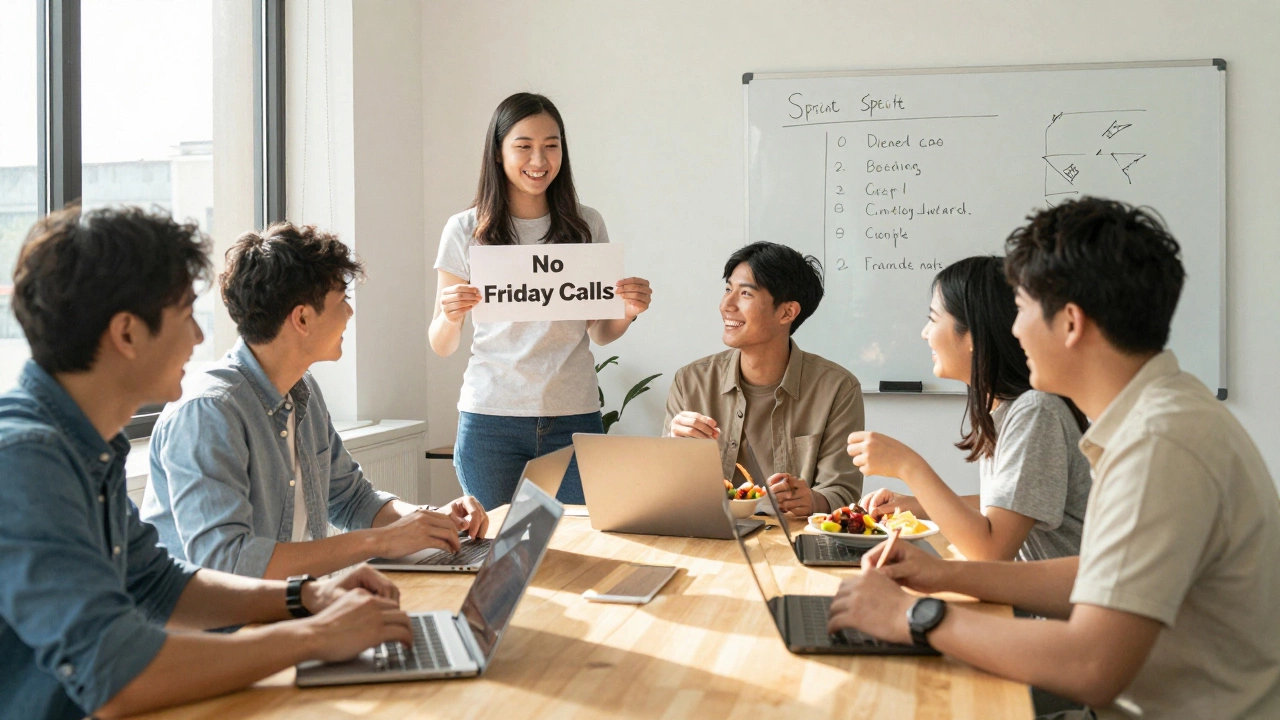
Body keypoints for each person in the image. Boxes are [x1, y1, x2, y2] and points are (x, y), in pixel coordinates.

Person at [827, 198, 1280, 720]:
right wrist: (943, 577)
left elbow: (1091, 665)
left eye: (1021, 309)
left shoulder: (1159, 444)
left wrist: (915, 615)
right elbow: (1096, 576)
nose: (1014, 329)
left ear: (1069, 323)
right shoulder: (1159, 414)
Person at [0, 206, 412, 720]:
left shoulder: (83, 445)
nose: (198, 337)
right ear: (127, 334)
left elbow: (158, 584)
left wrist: (308, 597)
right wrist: (314, 636)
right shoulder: (26, 459)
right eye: (184, 314)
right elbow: (114, 672)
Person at [144, 223, 487, 580]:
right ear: (302, 318)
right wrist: (381, 541)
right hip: (222, 616)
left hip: (289, 603)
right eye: (342, 301)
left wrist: (431, 519)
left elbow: (352, 498)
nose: (349, 313)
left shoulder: (301, 389)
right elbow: (228, 561)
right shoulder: (209, 412)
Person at [430, 92, 652, 510]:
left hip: (574, 416)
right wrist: (450, 314)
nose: (539, 159)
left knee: (576, 539)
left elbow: (600, 333)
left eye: (552, 145)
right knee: (497, 540)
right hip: (490, 421)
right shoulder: (465, 229)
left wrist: (627, 312)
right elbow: (441, 344)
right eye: (524, 146)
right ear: (498, 152)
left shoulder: (586, 224)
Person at [847, 256, 1092, 563]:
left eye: (933, 319)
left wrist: (908, 466)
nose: (925, 333)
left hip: (1046, 596)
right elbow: (1007, 507)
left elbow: (990, 551)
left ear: (974, 334)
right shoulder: (1009, 410)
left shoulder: (1036, 412)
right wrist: (916, 504)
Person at [665, 241, 863, 516]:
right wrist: (672, 445)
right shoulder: (690, 382)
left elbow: (841, 491)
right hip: (707, 529)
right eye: (728, 289)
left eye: (745, 293)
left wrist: (811, 500)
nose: (726, 305)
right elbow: (666, 488)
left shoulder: (837, 388)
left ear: (787, 312)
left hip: (790, 534)